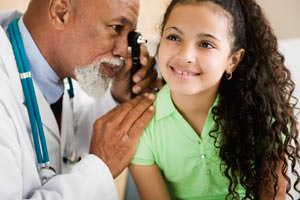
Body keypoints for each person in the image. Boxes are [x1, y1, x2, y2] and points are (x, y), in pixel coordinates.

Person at [130, 0, 300, 199]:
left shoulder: (264, 117)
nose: (185, 55)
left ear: (232, 60)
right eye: (174, 37)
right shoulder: (142, 127)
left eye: (205, 44)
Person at [0, 0, 159, 199]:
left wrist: (118, 97)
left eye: (129, 35)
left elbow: (75, 132)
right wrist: (101, 168)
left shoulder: (68, 68)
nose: (123, 50)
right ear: (60, 13)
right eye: (116, 28)